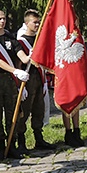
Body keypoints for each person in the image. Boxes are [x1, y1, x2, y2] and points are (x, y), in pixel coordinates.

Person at [0, 10, 31, 156]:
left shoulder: (10, 38)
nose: (2, 21)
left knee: (13, 113)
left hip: (11, 81)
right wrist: (15, 70)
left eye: (4, 18)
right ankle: (0, 144)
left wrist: (31, 55)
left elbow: (22, 57)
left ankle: (12, 144)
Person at [16, 9, 52, 151]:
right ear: (27, 23)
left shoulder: (39, 40)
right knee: (24, 110)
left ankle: (39, 138)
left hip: (39, 77)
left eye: (38, 22)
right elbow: (19, 63)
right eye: (34, 22)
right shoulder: (20, 42)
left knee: (39, 109)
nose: (37, 24)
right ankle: (21, 142)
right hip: (27, 78)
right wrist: (20, 86)